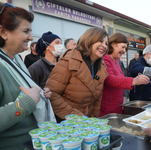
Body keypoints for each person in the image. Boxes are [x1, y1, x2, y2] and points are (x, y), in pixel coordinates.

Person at [0, 3, 55, 149]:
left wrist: (40, 94)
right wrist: (27, 102)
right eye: (26, 31)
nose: (30, 37)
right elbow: (24, 101)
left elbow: (21, 91)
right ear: (3, 32)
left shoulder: (16, 60)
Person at [45, 27, 110, 122]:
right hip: (67, 123)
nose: (104, 46)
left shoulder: (101, 66)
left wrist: (93, 122)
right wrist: (77, 117)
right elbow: (52, 93)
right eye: (100, 41)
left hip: (86, 125)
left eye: (106, 43)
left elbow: (96, 100)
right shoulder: (69, 59)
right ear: (89, 39)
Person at [100, 32, 149, 116]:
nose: (124, 51)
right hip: (107, 108)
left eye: (125, 49)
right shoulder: (105, 59)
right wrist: (133, 81)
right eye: (123, 47)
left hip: (117, 106)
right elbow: (109, 79)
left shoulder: (117, 61)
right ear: (113, 44)